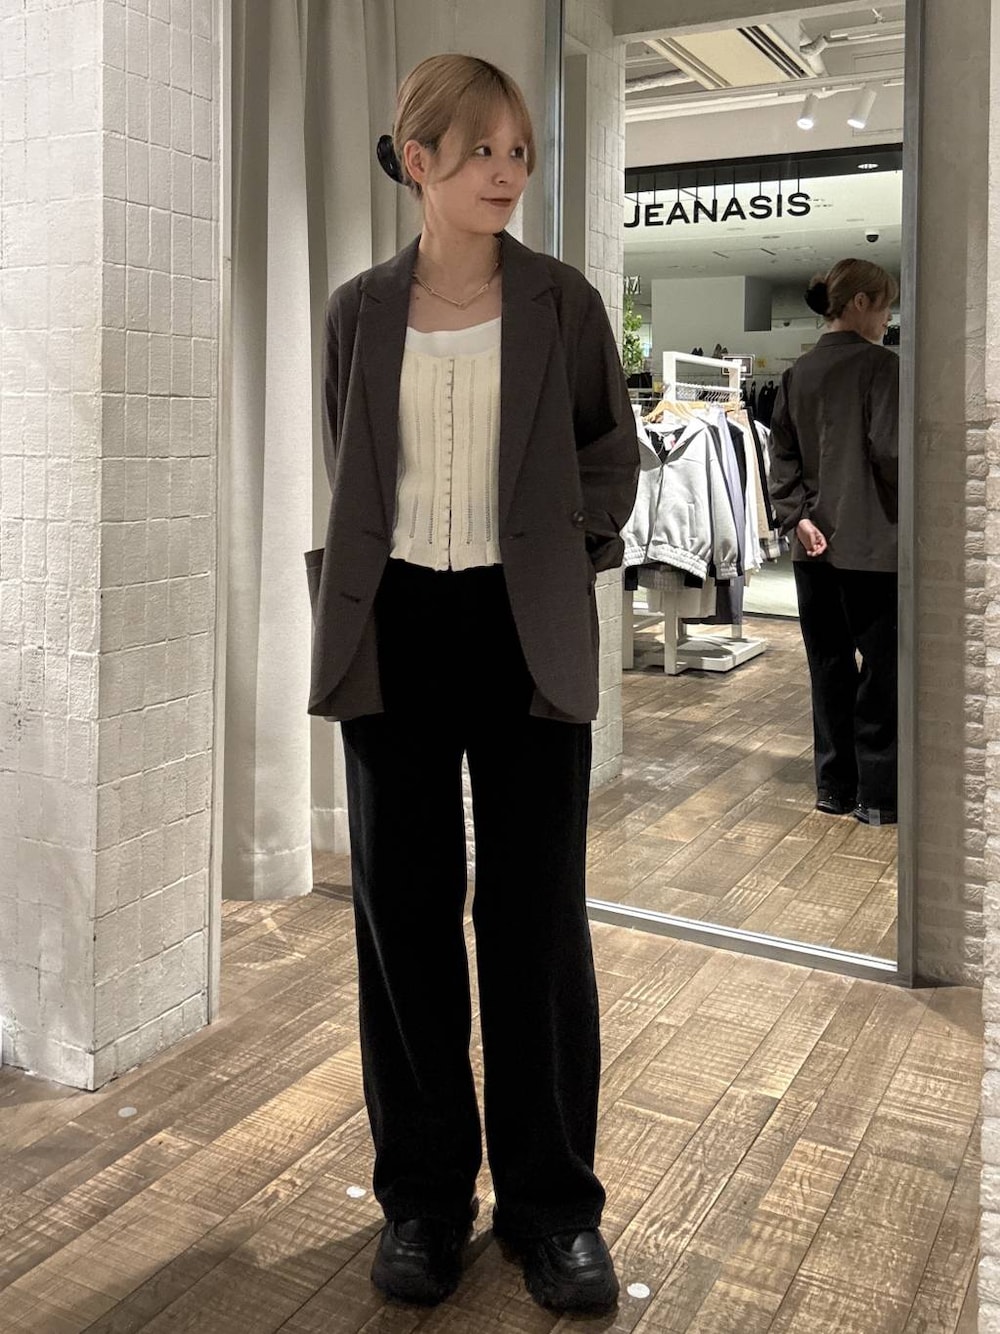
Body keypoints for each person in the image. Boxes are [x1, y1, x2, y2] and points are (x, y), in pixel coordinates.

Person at [304, 55, 640, 1313]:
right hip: (393, 625)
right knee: (401, 913)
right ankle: (423, 1199)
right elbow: (347, 459)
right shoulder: (357, 310)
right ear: (419, 158)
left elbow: (610, 451)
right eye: (482, 148)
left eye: (519, 152)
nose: (507, 172)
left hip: (521, 627)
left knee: (535, 916)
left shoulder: (563, 302)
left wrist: (563, 552)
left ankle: (553, 1207)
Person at [767, 258, 900, 825]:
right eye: (886, 306)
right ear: (861, 303)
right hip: (874, 546)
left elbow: (782, 456)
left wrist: (797, 517)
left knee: (828, 665)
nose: (888, 318)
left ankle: (834, 787)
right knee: (883, 671)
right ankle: (878, 795)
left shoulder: (798, 373)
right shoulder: (883, 367)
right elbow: (891, 452)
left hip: (811, 546)